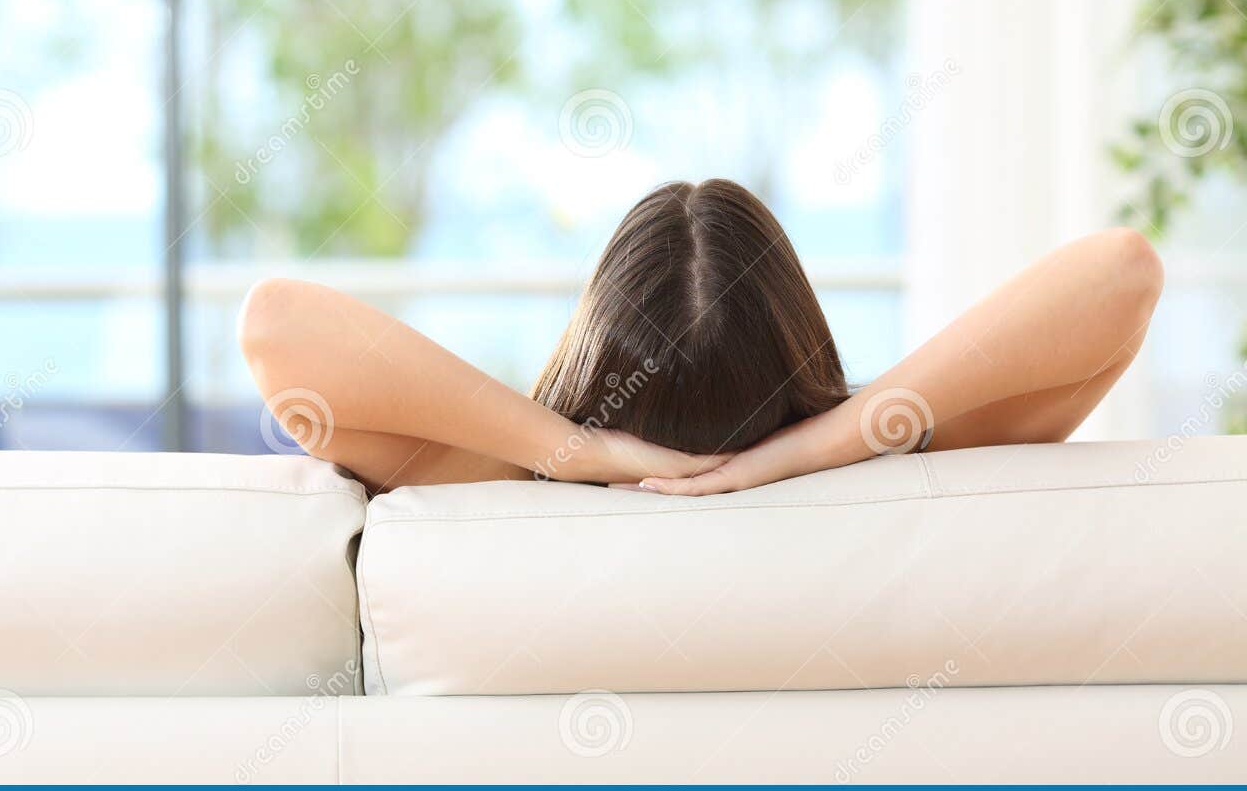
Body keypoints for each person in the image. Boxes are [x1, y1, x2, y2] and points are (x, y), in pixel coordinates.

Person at [237, 178, 1164, 495]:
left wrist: (573, 450)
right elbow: (1124, 274)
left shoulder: (493, 472)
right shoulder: (913, 461)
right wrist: (823, 444)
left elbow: (276, 326)